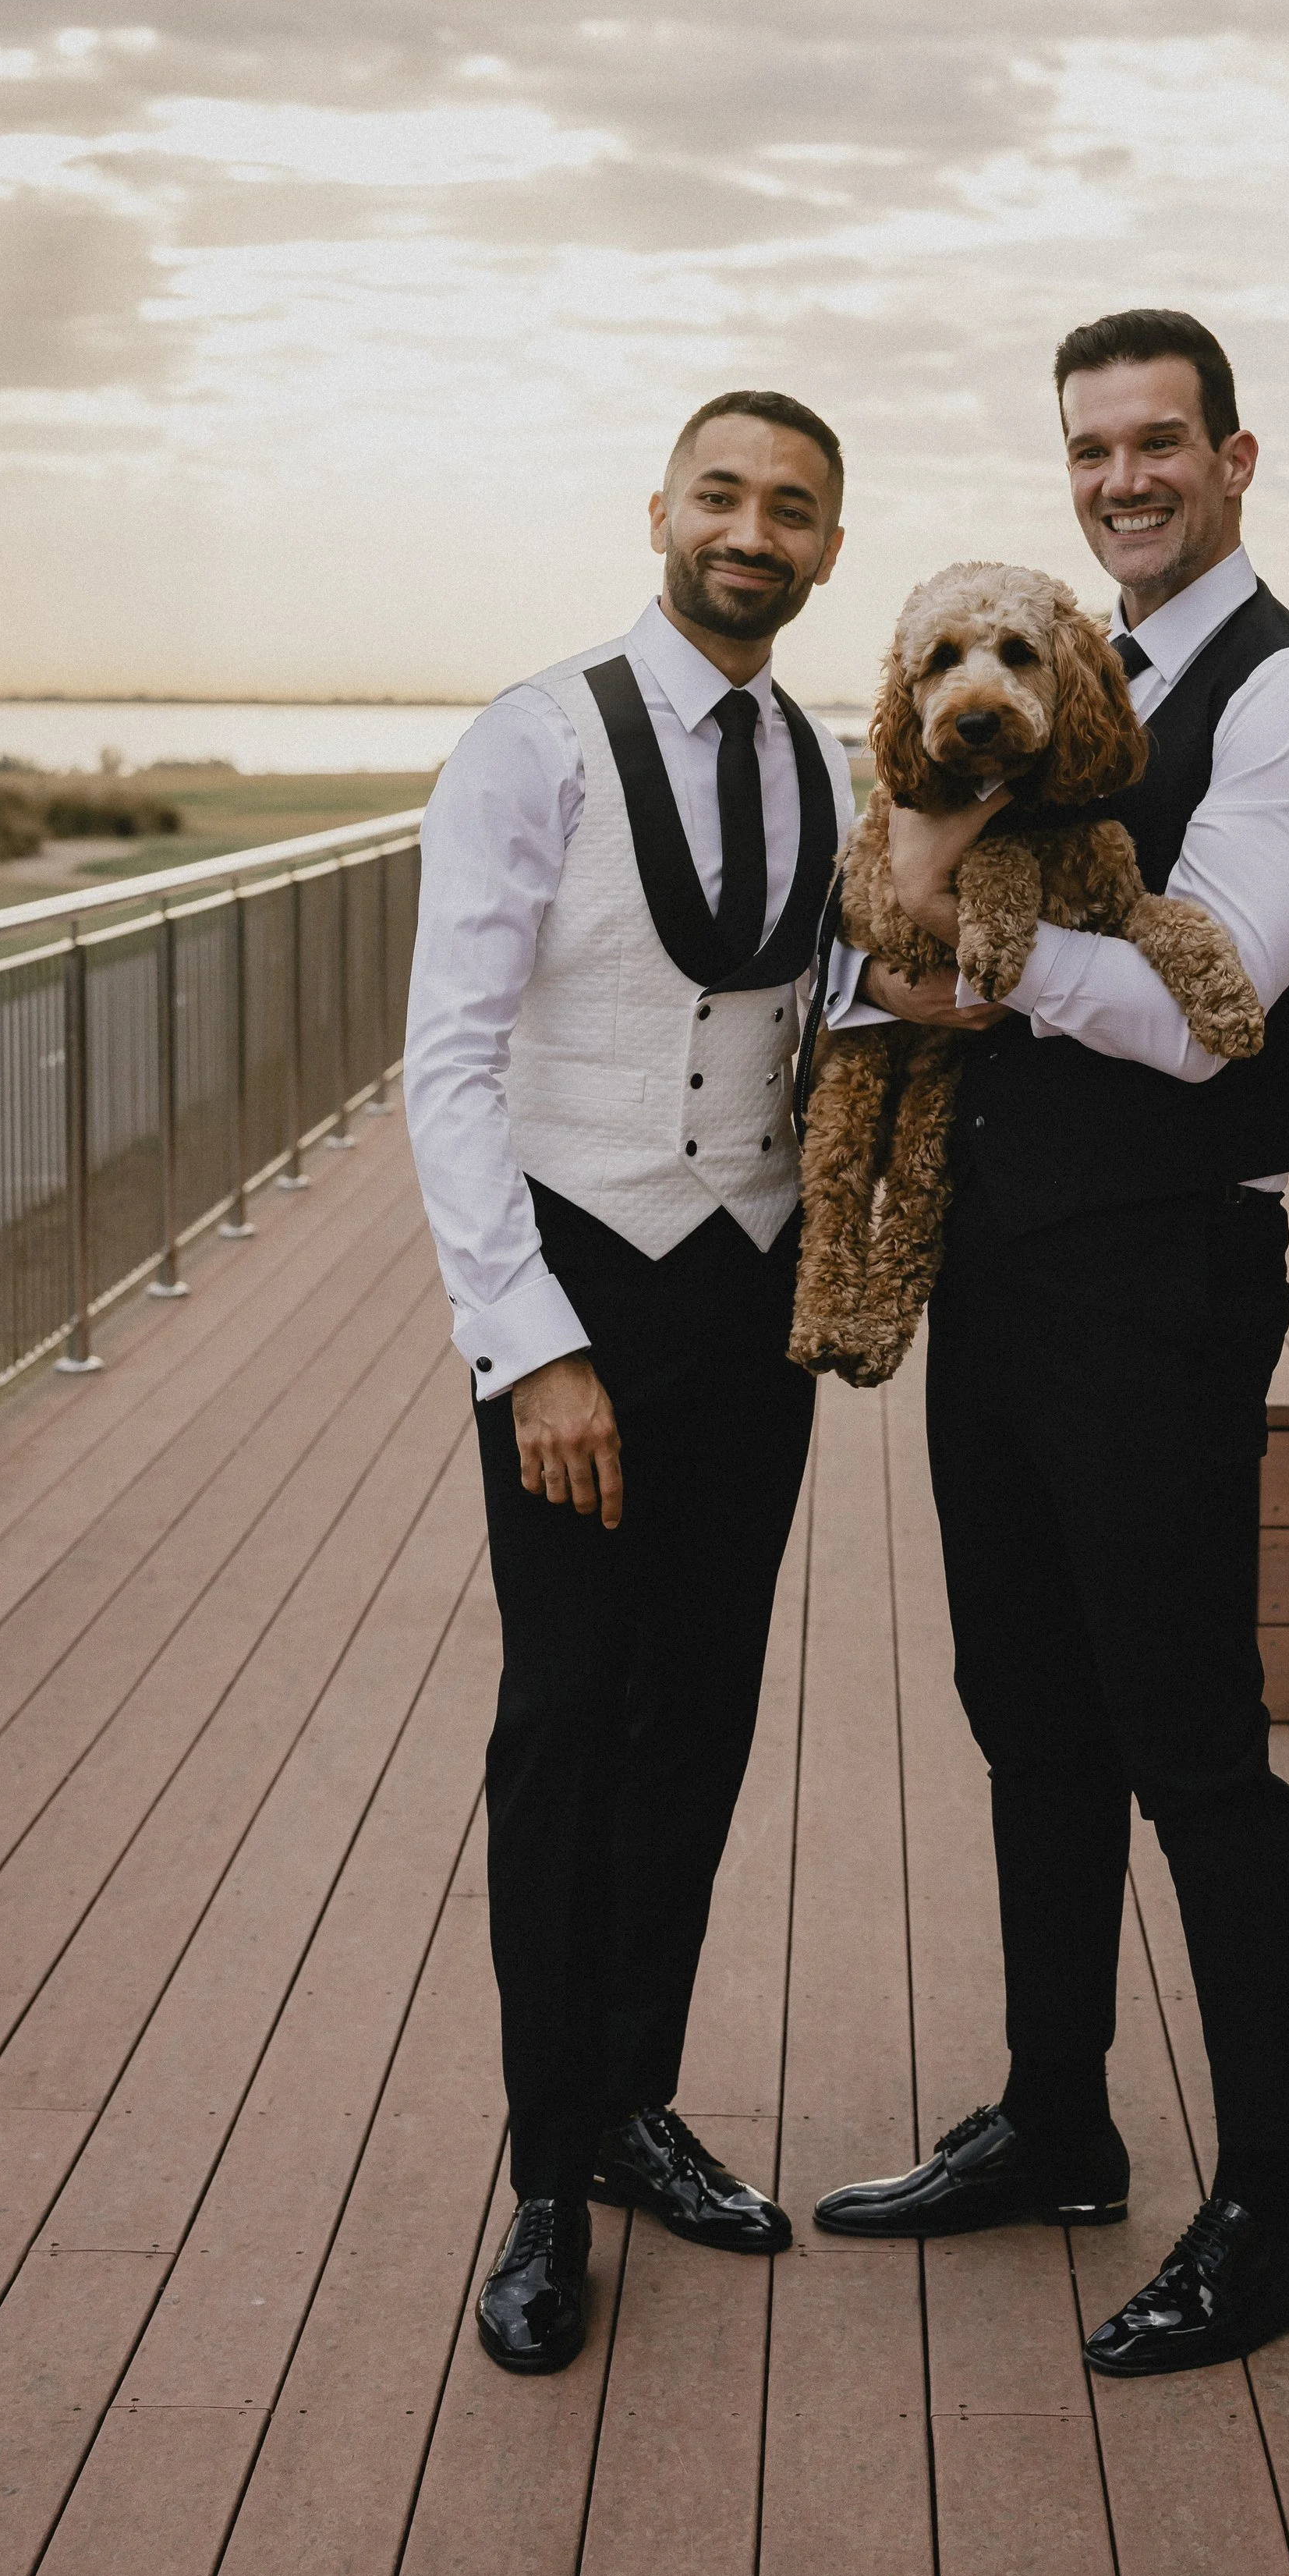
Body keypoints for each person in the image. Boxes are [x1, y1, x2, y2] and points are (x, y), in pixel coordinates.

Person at [813, 309, 1289, 2377]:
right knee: (1023, 1709)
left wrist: (954, 933)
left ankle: (1274, 2200)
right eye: (1089, 449)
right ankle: (1058, 2113)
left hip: (1159, 1278)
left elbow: (1196, 992)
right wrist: (936, 923)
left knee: (1188, 1741)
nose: (1121, 478)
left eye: (1159, 443)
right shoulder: (1072, 674)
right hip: (1009, 1268)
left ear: (1234, 458)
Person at [404, 392, 855, 2375]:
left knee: (699, 1724)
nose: (753, 530)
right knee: (564, 1730)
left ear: (828, 550)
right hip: (576, 1302)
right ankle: (537, 2182)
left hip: (749, 1315)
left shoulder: (827, 764)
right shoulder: (533, 739)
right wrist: (532, 1349)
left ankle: (637, 2106)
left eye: (795, 509)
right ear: (660, 512)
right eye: (724, 494)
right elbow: (447, 1064)